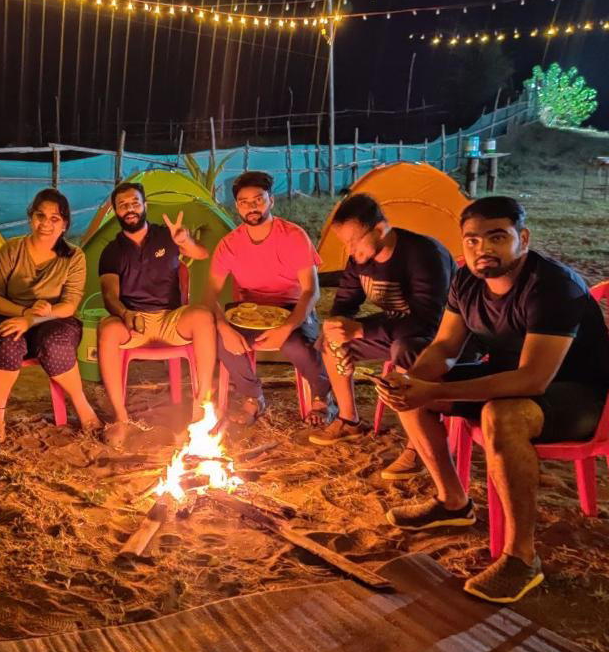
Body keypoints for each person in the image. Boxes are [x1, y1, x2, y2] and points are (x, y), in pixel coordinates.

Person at [377, 196, 609, 604]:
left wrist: (438, 390)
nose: (482, 249)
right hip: (509, 379)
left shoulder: (553, 287)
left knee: (503, 415)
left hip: (581, 395)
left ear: (523, 239)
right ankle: (452, 502)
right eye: (472, 240)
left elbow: (533, 379)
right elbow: (445, 346)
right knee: (412, 395)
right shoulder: (467, 280)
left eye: (497, 237)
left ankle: (522, 558)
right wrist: (414, 382)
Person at [310, 193, 456, 482]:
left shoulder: (424, 254)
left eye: (354, 241)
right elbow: (345, 303)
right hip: (396, 328)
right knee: (329, 340)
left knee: (405, 349)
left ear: (379, 230)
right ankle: (350, 420)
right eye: (345, 243)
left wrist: (360, 330)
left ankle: (419, 446)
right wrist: (339, 329)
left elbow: (427, 320)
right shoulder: (360, 259)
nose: (350, 250)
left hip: (442, 337)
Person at [204, 171, 334, 426]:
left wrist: (286, 328)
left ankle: (323, 396)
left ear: (271, 201)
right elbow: (210, 294)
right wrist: (224, 328)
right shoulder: (229, 244)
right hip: (248, 312)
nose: (252, 207)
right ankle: (253, 397)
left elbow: (311, 291)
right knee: (222, 341)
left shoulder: (294, 236)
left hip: (293, 307)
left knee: (296, 345)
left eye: (258, 200)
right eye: (244, 202)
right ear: (237, 206)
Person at [96, 182, 215, 446]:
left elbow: (201, 254)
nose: (130, 209)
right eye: (123, 205)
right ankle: (121, 418)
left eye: (135, 203)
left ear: (145, 206)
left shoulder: (166, 236)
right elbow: (109, 295)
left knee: (203, 316)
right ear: (115, 211)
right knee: (107, 328)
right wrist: (124, 313)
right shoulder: (112, 251)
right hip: (133, 321)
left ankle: (200, 407)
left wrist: (184, 241)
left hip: (171, 318)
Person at [0, 188, 101, 443]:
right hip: (10, 314)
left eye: (54, 218)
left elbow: (69, 305)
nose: (46, 223)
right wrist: (24, 313)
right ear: (31, 218)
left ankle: (82, 406)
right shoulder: (12, 249)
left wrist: (33, 319)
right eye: (40, 216)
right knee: (7, 341)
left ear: (65, 224)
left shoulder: (74, 257)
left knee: (55, 343)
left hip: (55, 319)